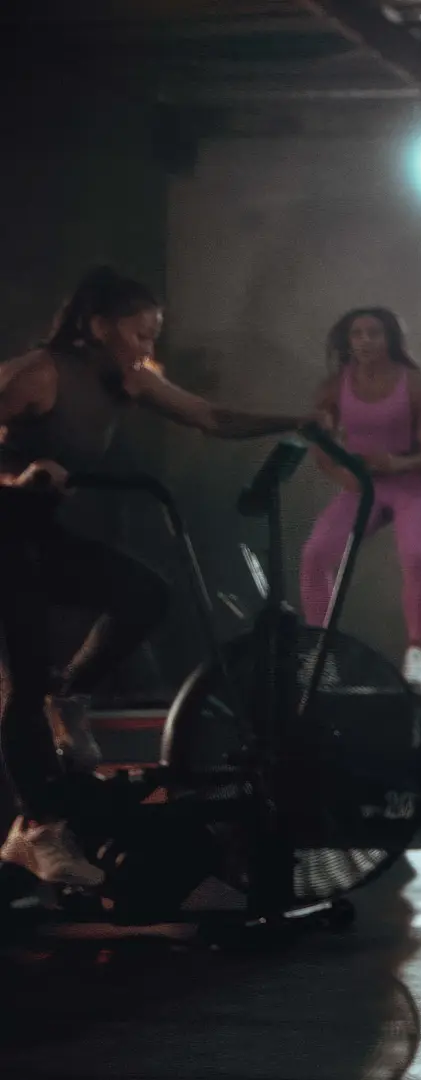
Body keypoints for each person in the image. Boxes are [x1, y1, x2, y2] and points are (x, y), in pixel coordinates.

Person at [0, 267, 315, 886]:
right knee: (24, 680)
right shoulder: (38, 373)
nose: (148, 347)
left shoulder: (129, 378)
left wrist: (299, 420)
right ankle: (38, 831)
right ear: (98, 326)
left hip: (34, 533)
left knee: (143, 593)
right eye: (140, 334)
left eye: (154, 336)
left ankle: (73, 695)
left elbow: (214, 417)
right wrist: (18, 474)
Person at [299, 307, 421, 689]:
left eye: (374, 333)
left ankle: (416, 655)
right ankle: (322, 655)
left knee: (415, 558)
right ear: (348, 342)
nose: (365, 341)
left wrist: (398, 463)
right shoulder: (334, 387)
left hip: (415, 485)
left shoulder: (416, 385)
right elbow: (319, 448)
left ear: (390, 339)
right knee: (315, 555)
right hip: (364, 487)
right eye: (357, 334)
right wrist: (345, 476)